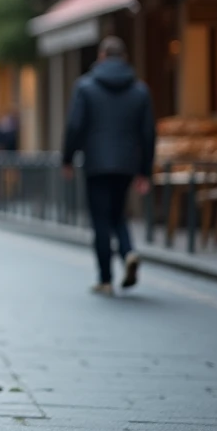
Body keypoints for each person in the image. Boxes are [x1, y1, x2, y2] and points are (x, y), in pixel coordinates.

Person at [62, 36, 155, 295]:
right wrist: (144, 170)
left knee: (101, 220)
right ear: (124, 57)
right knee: (118, 214)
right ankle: (128, 252)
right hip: (126, 163)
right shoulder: (140, 90)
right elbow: (148, 133)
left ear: (101, 56)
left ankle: (105, 279)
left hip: (96, 163)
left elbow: (74, 126)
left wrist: (67, 158)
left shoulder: (85, 86)